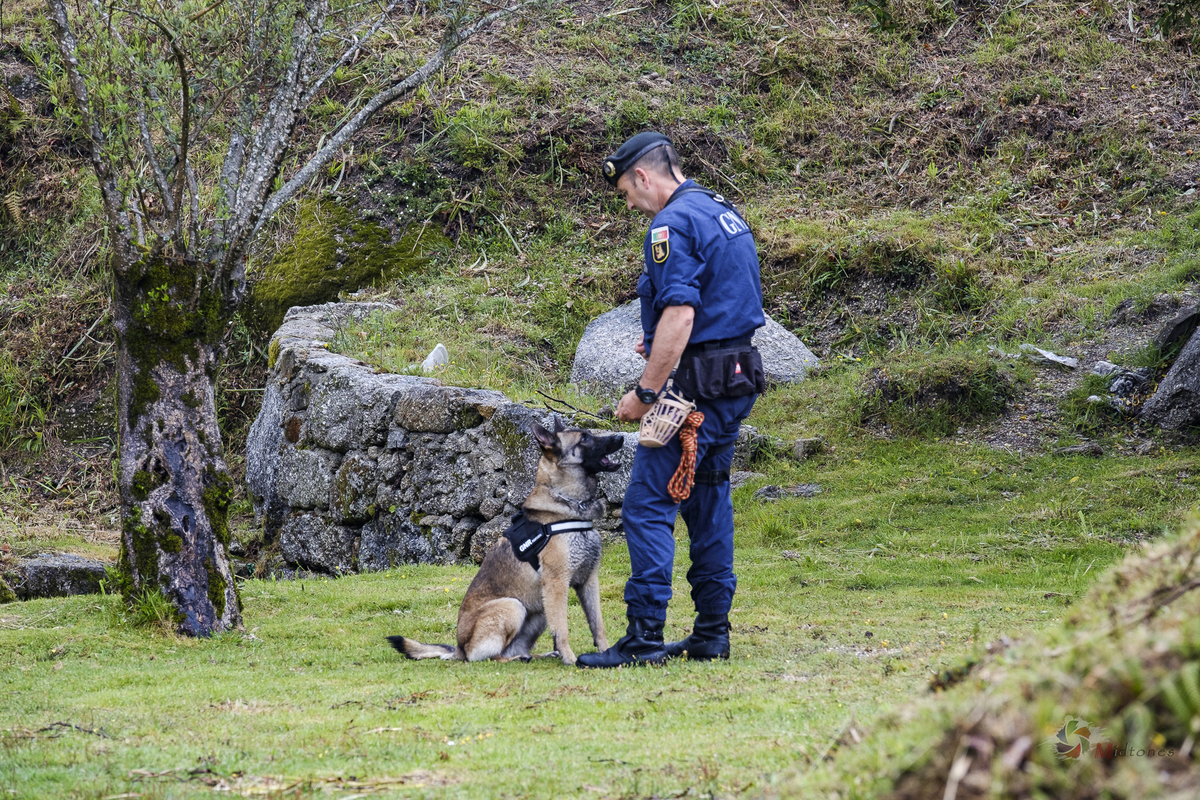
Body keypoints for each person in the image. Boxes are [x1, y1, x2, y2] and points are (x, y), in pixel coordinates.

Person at [577, 131, 766, 668]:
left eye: (625, 193)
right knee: (707, 501)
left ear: (641, 175)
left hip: (691, 391)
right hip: (734, 378)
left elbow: (682, 315)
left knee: (648, 503)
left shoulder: (670, 224)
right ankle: (712, 633)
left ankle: (642, 636)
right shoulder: (721, 211)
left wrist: (645, 391)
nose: (630, 205)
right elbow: (714, 307)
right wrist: (661, 338)